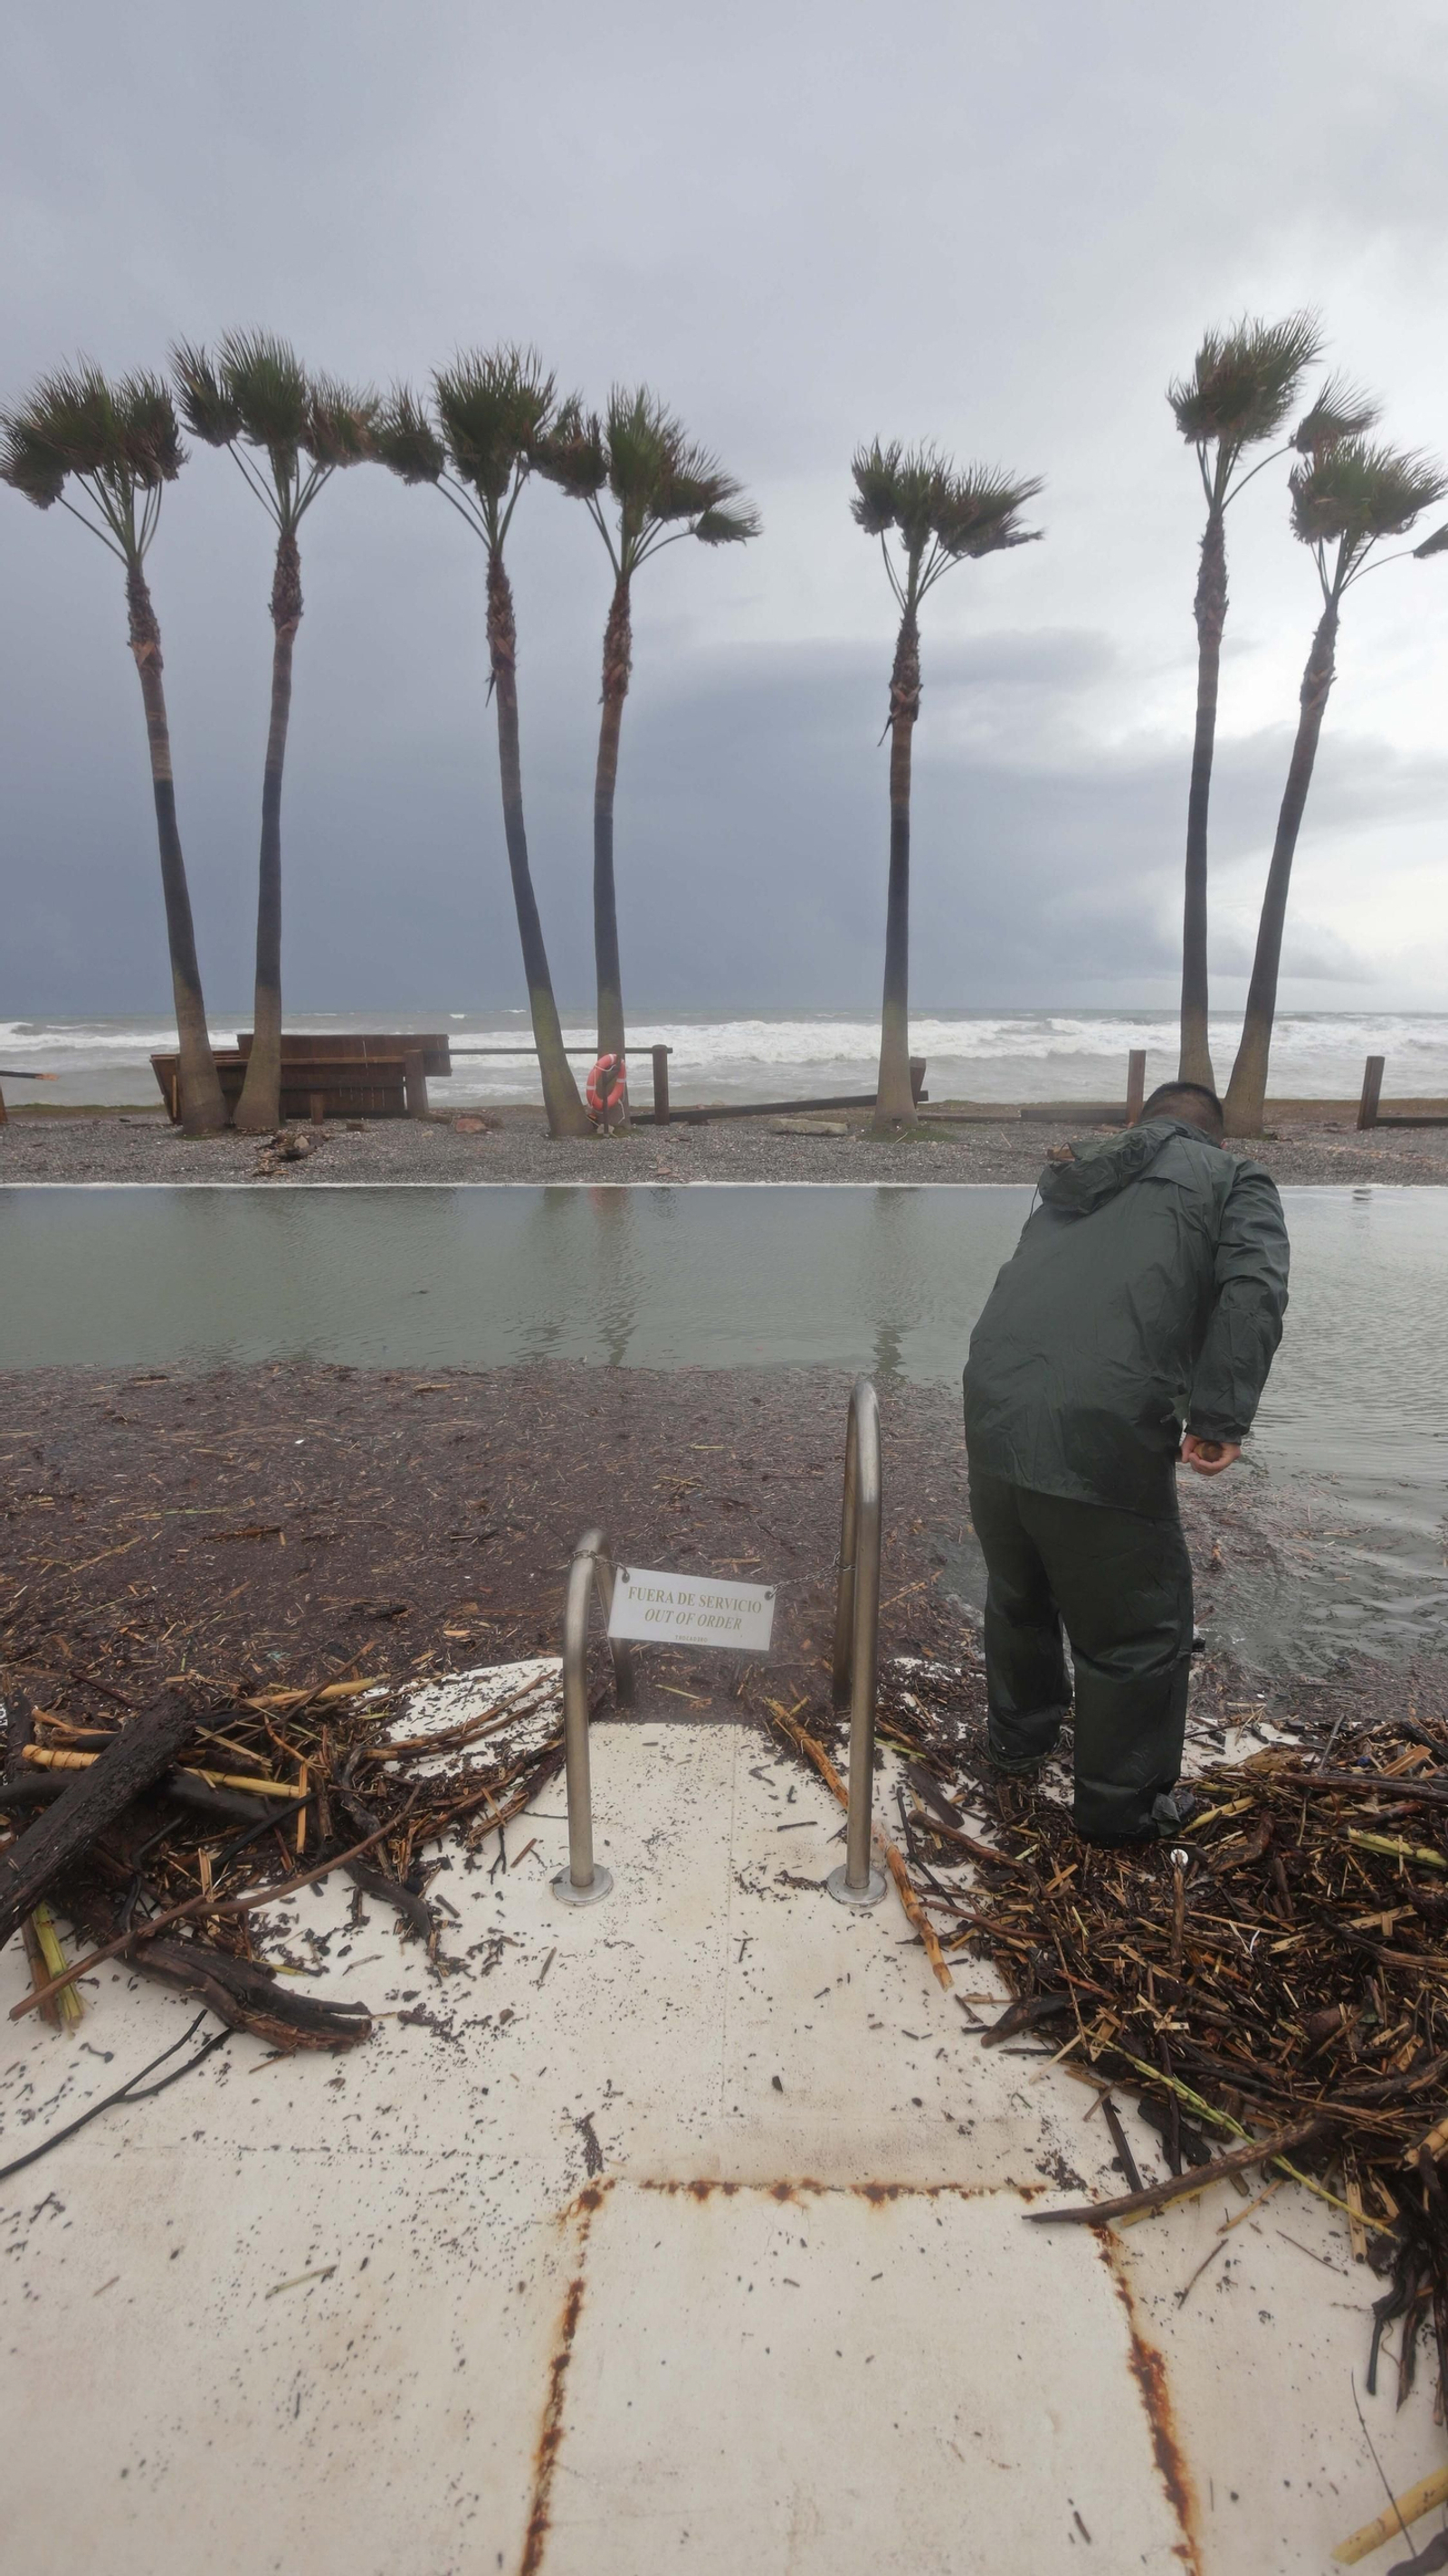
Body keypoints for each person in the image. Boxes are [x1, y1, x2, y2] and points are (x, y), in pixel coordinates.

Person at [962, 1080, 1289, 1842]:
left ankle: (1018, 1741)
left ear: (1138, 1127)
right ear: (1219, 1138)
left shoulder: (1078, 1173)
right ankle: (1123, 1811)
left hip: (993, 1405)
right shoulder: (1235, 1179)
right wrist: (1218, 1415)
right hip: (1100, 1424)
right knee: (1137, 1631)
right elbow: (1254, 1288)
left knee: (1020, 1592)